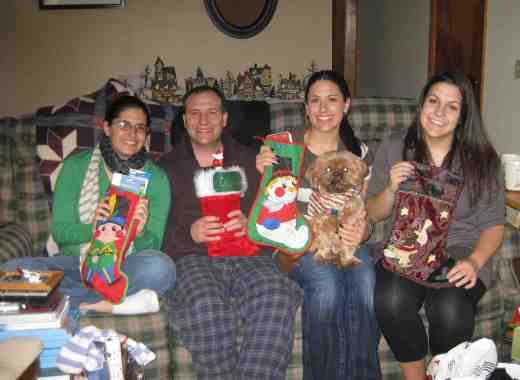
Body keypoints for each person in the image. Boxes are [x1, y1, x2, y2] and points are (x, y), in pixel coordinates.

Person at [366, 71, 505, 380]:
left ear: (463, 115)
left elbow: (494, 224)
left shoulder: (484, 159)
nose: (439, 112)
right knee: (390, 300)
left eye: (452, 106)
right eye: (433, 101)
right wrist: (390, 188)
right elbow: (371, 213)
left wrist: (475, 261)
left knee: (449, 308)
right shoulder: (394, 146)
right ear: (421, 105)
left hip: (462, 249)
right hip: (406, 246)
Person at [159, 86, 302, 380]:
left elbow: (280, 213)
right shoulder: (164, 168)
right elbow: (152, 232)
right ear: (184, 121)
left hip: (250, 256)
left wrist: (252, 223)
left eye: (212, 112)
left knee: (277, 294)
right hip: (193, 258)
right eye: (194, 113)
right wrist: (189, 233)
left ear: (224, 118)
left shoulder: (254, 159)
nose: (203, 120)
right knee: (207, 307)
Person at [256, 70, 381, 380]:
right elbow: (266, 206)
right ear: (306, 107)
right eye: (315, 100)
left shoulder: (360, 153)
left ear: (346, 105)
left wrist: (362, 231)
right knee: (327, 288)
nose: (323, 109)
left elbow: (363, 211)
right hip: (294, 243)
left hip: (346, 243)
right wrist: (259, 169)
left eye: (332, 100)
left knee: (366, 286)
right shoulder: (284, 145)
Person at [1, 95, 175, 315]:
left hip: (124, 266)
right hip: (76, 264)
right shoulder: (76, 166)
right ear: (107, 128)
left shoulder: (156, 178)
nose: (132, 134)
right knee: (11, 271)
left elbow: (153, 245)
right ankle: (117, 303)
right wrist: (93, 228)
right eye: (124, 125)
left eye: (140, 128)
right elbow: (61, 233)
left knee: (161, 267)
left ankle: (66, 303)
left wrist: (139, 233)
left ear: (146, 134)